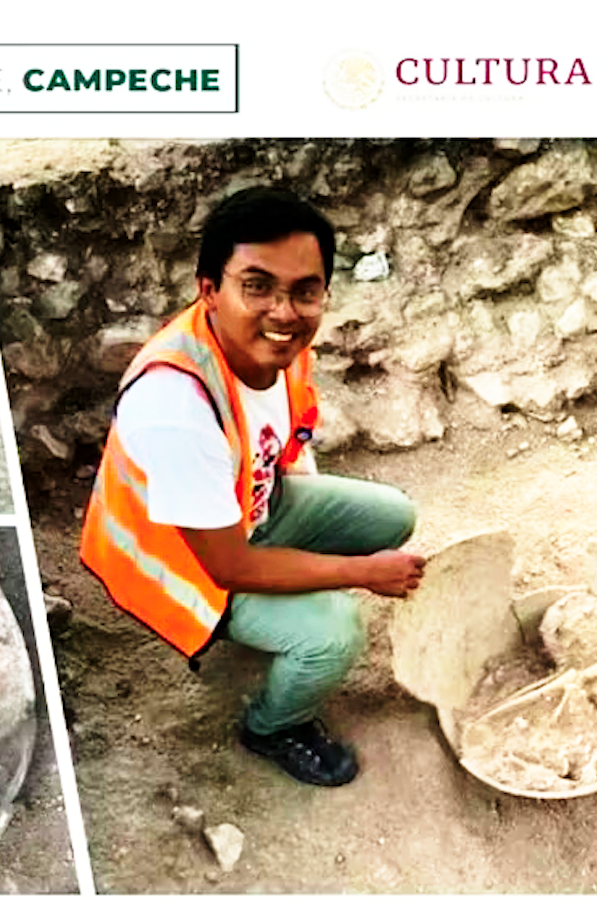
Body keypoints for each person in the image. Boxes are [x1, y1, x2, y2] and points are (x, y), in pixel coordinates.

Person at [80, 186, 425, 787]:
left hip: (251, 512)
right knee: (336, 635)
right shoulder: (176, 402)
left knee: (392, 515)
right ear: (209, 289)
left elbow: (287, 442)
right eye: (257, 285)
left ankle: (286, 612)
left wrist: (321, 554)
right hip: (189, 569)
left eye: (304, 291)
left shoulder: (278, 346)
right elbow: (228, 566)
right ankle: (272, 726)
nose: (284, 311)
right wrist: (360, 574)